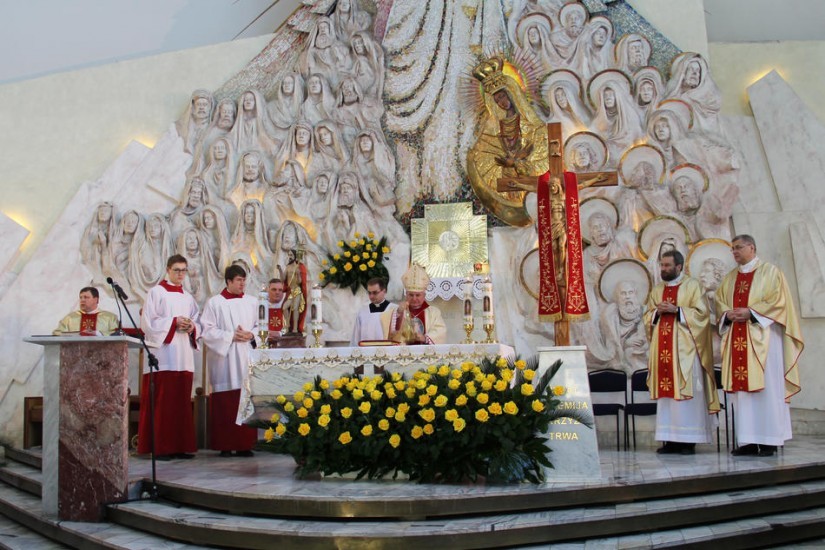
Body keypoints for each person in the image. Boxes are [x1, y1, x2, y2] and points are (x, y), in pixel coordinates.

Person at [715, 235, 804, 457]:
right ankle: (748, 440)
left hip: (765, 342)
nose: (735, 252)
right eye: (732, 249)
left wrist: (751, 313)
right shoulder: (730, 278)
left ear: (752, 248)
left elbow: (779, 302)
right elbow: (720, 302)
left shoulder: (771, 272)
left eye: (738, 247)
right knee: (742, 395)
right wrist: (728, 314)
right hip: (737, 340)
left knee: (768, 390)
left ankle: (769, 441)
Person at [643, 250, 719, 455]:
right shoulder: (657, 290)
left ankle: (688, 441)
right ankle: (670, 439)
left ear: (679, 267)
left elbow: (702, 315)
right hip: (663, 352)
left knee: (687, 396)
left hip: (686, 352)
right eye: (662, 265)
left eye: (668, 265)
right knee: (667, 399)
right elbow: (647, 317)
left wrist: (677, 310)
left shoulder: (693, 286)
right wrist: (656, 313)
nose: (664, 269)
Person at [138, 254, 200, 460]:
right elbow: (148, 323)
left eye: (184, 270)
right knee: (163, 404)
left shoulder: (188, 297)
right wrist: (173, 322)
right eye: (177, 270)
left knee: (181, 403)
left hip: (183, 356)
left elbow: (197, 320)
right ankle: (161, 448)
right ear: (168, 270)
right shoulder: (156, 292)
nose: (181, 274)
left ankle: (180, 446)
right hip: (163, 357)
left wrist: (191, 326)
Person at [200, 265, 259, 457]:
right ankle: (225, 444)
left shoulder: (252, 302)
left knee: (245, 399)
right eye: (239, 280)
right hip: (224, 360)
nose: (242, 284)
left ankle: (245, 445)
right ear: (228, 281)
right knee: (225, 403)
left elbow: (261, 326)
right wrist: (230, 336)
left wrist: (251, 335)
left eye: (244, 280)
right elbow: (207, 331)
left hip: (246, 356)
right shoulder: (215, 303)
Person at [390, 264, 446, 345]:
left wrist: (425, 338)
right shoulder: (400, 311)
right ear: (406, 295)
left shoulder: (433, 312)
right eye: (411, 295)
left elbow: (440, 331)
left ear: (424, 295)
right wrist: (398, 313)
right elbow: (391, 333)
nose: (414, 298)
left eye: (418, 295)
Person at [53, 287, 120, 336]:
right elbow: (57, 333)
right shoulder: (70, 318)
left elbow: (118, 334)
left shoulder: (110, 318)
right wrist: (75, 335)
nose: (82, 300)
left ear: (96, 300)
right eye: (81, 297)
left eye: (86, 297)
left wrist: (98, 333)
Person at [350, 277, 398, 345]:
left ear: (384, 291)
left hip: (387, 350)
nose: (371, 296)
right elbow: (356, 338)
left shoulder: (394, 309)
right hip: (366, 351)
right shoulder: (362, 312)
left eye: (375, 293)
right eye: (369, 293)